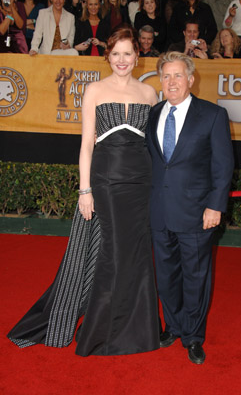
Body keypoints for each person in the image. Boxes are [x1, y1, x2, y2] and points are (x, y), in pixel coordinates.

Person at [7, 24, 160, 357]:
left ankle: (137, 328)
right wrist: (84, 190)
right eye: (116, 54)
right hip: (105, 181)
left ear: (137, 56)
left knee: (136, 255)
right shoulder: (94, 90)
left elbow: (153, 146)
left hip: (141, 183)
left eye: (128, 53)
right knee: (111, 254)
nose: (122, 60)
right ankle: (102, 329)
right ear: (108, 56)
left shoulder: (150, 94)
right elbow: (87, 145)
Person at [146, 51, 234, 364]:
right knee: (166, 277)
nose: (171, 82)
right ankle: (173, 326)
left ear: (191, 79)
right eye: (166, 76)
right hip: (160, 211)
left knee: (195, 277)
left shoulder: (212, 115)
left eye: (178, 75)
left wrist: (215, 206)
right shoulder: (154, 113)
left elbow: (223, 166)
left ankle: (194, 337)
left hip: (198, 214)